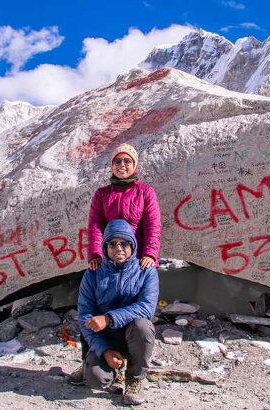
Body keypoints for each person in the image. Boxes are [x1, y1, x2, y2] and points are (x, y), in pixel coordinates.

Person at [67, 143, 162, 386]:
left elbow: (152, 224)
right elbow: (95, 225)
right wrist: (97, 254)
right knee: (94, 308)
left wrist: (149, 253)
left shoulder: (144, 192)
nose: (122, 165)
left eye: (127, 161)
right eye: (117, 161)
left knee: (138, 317)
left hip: (135, 260)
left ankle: (134, 373)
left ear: (135, 165)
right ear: (111, 165)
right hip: (108, 257)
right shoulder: (103, 194)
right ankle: (91, 359)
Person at [77, 219, 159, 405]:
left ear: (133, 245)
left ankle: (134, 378)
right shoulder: (93, 273)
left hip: (132, 334)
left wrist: (109, 318)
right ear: (105, 247)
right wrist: (105, 350)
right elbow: (84, 317)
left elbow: (146, 307)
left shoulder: (146, 271)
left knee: (143, 326)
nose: (119, 248)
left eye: (124, 243)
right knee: (95, 379)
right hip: (108, 338)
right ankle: (97, 367)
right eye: (113, 243)